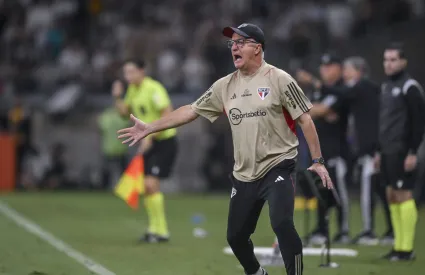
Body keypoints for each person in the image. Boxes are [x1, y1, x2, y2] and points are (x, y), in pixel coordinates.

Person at [117, 23, 333, 275]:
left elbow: (305, 119)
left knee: (282, 223)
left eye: (241, 42)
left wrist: (317, 160)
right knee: (236, 238)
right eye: (232, 43)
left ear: (258, 48)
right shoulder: (225, 85)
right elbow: (191, 110)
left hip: (278, 164)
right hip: (244, 174)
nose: (234, 47)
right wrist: (151, 127)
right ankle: (257, 273)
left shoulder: (279, 78)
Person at [112, 60, 178, 243]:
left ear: (142, 71)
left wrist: (152, 136)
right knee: (148, 187)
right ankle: (153, 230)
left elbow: (168, 114)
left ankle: (162, 231)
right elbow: (124, 113)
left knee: (150, 184)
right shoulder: (133, 89)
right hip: (148, 141)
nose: (128, 76)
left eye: (132, 72)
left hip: (164, 141)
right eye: (126, 73)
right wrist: (117, 97)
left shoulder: (154, 88)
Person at [377, 43, 425, 261]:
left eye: (393, 59)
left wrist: (413, 151)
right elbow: (384, 123)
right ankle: (398, 246)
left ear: (403, 62)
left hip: (402, 150)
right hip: (387, 150)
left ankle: (406, 249)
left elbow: (419, 122)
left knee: (404, 195)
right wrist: (379, 151)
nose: (389, 64)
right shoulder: (386, 87)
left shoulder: (410, 87)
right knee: (391, 196)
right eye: (386, 60)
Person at [296, 54, 351, 245]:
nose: (325, 69)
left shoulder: (342, 90)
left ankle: (343, 230)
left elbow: (315, 111)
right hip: (320, 151)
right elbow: (313, 111)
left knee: (338, 191)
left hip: (338, 151)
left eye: (330, 66)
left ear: (339, 68)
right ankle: (322, 229)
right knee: (320, 190)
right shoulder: (320, 92)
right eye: (323, 66)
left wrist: (314, 111)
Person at [340, 56, 394, 246]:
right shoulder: (368, 89)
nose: (344, 73)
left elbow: (340, 94)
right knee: (381, 190)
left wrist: (317, 85)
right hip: (374, 148)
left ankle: (369, 231)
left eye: (347, 69)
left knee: (369, 191)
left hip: (373, 150)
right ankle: (391, 231)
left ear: (358, 70)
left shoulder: (362, 87)